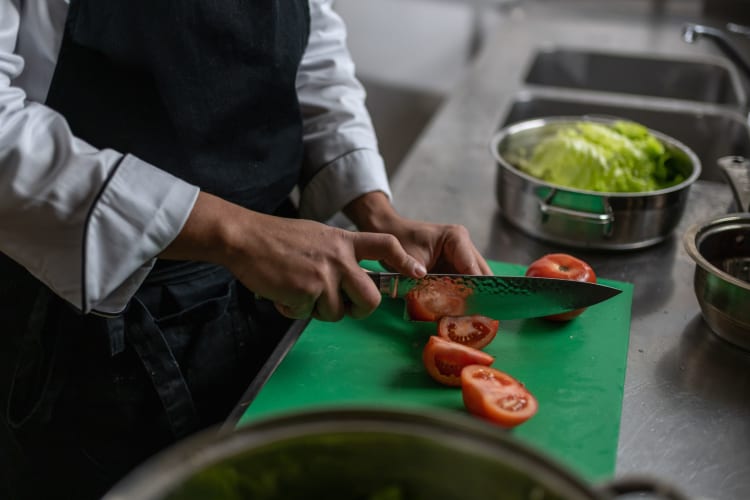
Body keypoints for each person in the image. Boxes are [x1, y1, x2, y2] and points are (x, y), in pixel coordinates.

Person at [0, 1, 492, 498]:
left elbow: (310, 36)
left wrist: (375, 210)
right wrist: (237, 234)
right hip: (95, 337)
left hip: (277, 304)